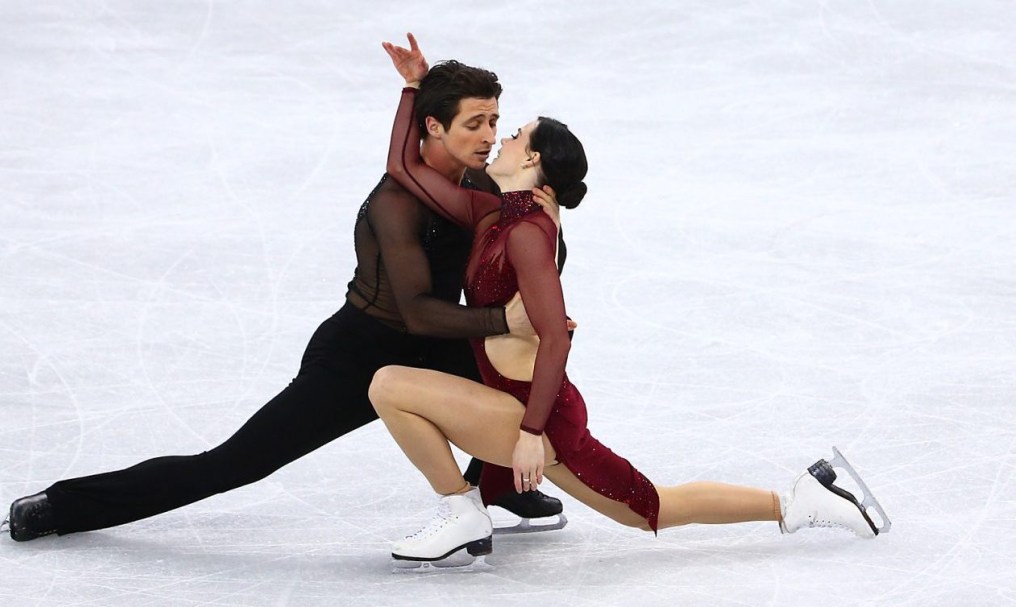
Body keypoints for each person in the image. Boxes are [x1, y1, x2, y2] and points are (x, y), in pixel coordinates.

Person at [0, 56, 571, 542]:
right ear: (435, 127)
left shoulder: (479, 182)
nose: (492, 135)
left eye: (496, 121)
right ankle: (64, 506)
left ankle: (498, 489)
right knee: (234, 464)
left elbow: (525, 242)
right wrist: (503, 320)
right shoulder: (396, 204)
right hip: (362, 353)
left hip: (444, 337)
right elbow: (418, 309)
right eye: (476, 123)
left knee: (526, 393)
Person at [373, 34, 891, 563]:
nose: (496, 141)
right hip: (523, 407)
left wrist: (529, 436)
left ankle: (462, 510)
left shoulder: (527, 230)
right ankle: (797, 501)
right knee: (650, 508)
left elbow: (554, 335)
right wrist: (414, 86)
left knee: (390, 385)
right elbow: (404, 168)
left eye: (511, 135)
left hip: (535, 419)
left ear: (530, 159)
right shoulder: (497, 210)